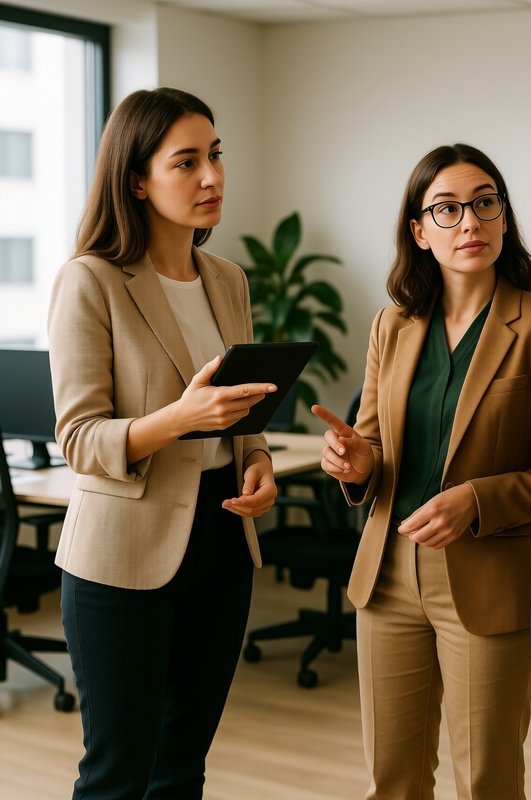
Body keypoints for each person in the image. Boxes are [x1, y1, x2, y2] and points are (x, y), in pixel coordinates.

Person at [312, 143, 531, 799]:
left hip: (488, 579)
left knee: (486, 779)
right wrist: (355, 461)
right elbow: (374, 447)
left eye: (486, 203)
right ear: (418, 230)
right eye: (448, 209)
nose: (471, 222)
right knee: (393, 779)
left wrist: (478, 499)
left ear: (504, 217)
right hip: (387, 578)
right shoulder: (392, 326)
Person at [48, 87, 279, 799]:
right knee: (118, 775)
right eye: (186, 162)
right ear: (137, 180)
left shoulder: (227, 279)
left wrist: (260, 462)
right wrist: (181, 418)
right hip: (123, 556)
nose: (211, 177)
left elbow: (237, 416)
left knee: (182, 766)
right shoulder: (91, 280)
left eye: (215, 156)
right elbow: (80, 439)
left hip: (219, 542)